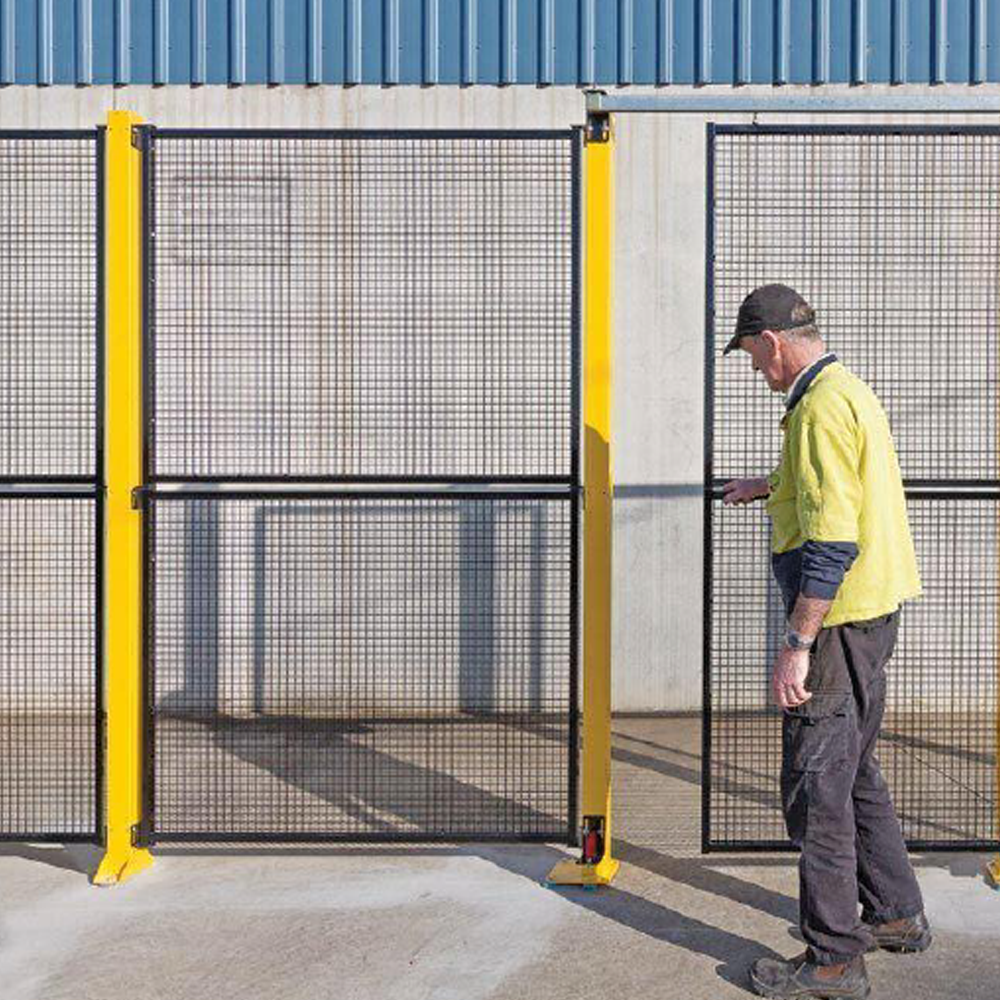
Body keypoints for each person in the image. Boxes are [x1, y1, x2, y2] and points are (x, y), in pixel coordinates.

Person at [721, 284, 931, 1000]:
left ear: (773, 342)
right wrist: (773, 483)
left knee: (818, 788)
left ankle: (835, 959)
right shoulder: (848, 389)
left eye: (752, 355)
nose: (755, 369)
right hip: (875, 615)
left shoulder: (815, 409)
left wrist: (797, 642)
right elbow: (843, 485)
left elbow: (834, 537)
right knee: (857, 771)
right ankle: (897, 914)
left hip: (838, 625)